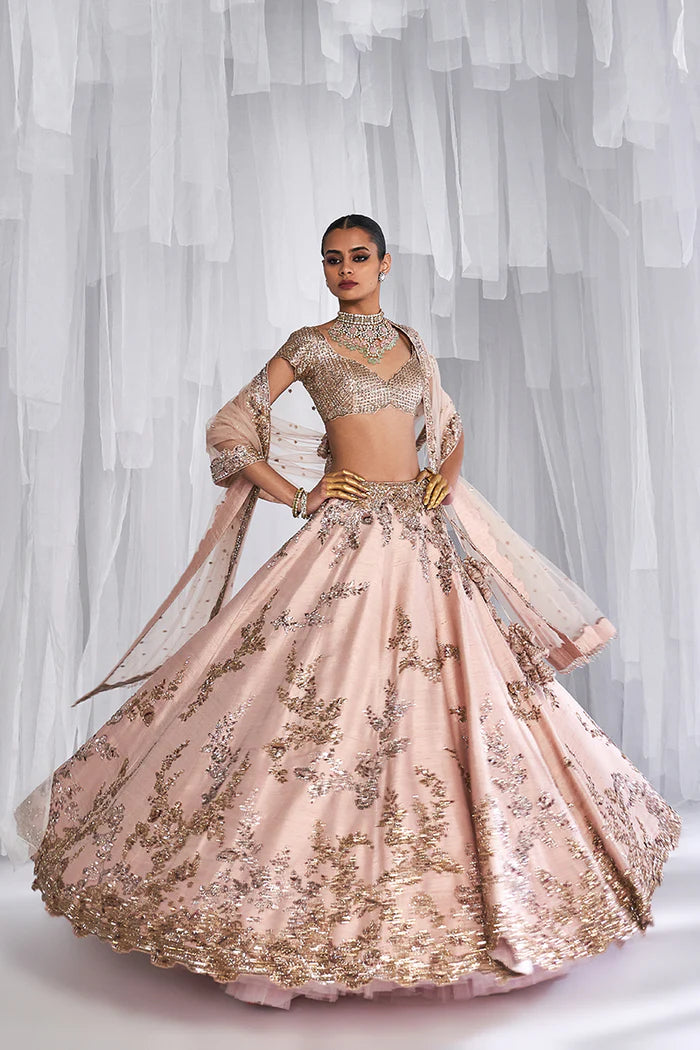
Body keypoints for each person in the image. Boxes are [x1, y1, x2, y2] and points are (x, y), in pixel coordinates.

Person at [14, 214, 681, 1010]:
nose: (345, 270)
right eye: (333, 259)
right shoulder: (309, 345)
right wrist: (300, 494)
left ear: (385, 263)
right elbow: (231, 428)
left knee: (455, 707)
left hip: (422, 541)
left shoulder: (411, 343)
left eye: (359, 257)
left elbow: (448, 429)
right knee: (317, 699)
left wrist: (440, 480)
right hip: (347, 537)